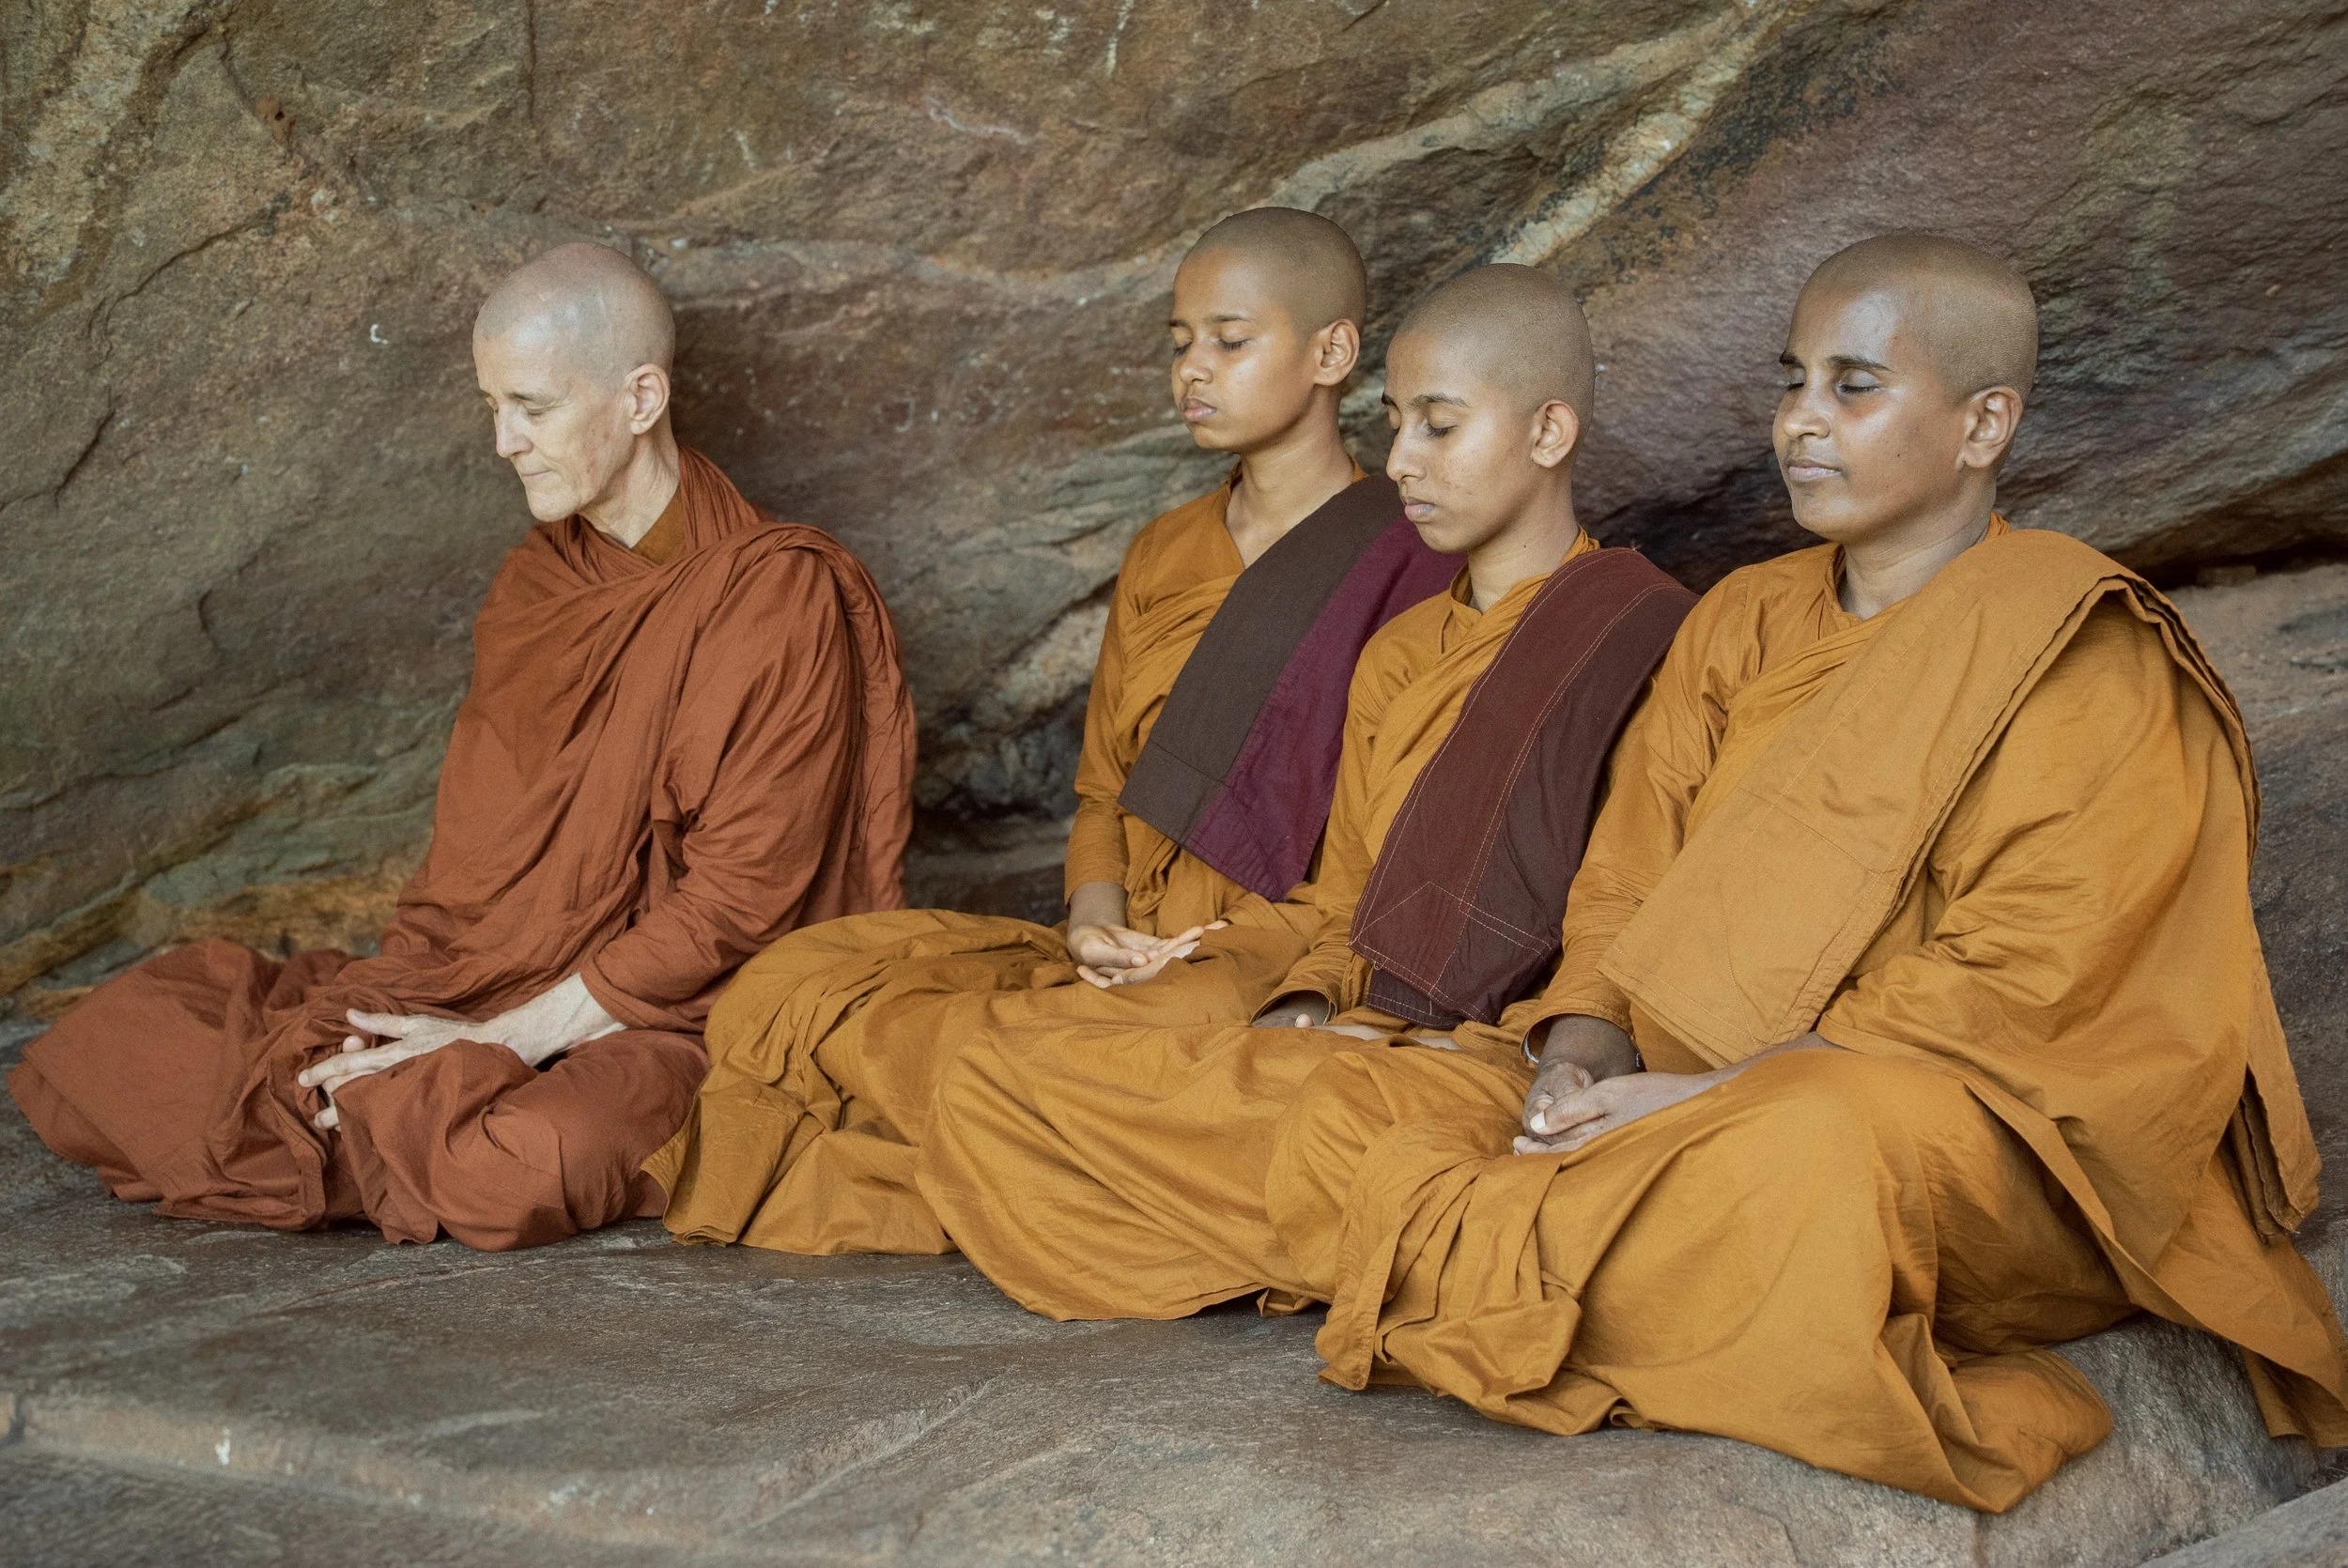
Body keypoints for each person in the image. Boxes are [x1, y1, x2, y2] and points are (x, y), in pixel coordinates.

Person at [1256, 234, 2348, 1510]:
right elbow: (1628, 877)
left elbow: (2025, 982)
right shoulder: (1744, 617)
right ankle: (1618, 1251)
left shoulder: (2084, 652)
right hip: (1677, 1089)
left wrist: (1697, 1098)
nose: (1801, 425)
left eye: (1853, 387)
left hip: (1949, 1123)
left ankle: (1574, 1266)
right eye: (1792, 383)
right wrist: (1585, 1050)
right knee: (1355, 1105)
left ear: (1985, 419)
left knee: (1814, 1154)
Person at [8, 242, 916, 1252]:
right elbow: (477, 864)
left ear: (642, 397)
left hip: (689, 1014)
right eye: (492, 406)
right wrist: (425, 997)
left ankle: (398, 1111)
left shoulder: (773, 596)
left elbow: (743, 901)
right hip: (503, 977)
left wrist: (501, 1038)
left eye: (531, 405)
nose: (502, 442)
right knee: (121, 1038)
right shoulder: (535, 589)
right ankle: (398, 1102)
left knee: (523, 1160)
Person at [647, 208, 1459, 1256]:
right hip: (1128, 947)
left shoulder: (1415, 556)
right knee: (793, 984)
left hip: (1274, 952)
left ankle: (1019, 1136)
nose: (1192, 372)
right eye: (1177, 344)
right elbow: (1102, 789)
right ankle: (1031, 1130)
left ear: (1332, 353)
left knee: (1018, 1061)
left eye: (1228, 339)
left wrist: (1254, 960)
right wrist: (1091, 921)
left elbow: (1400, 839)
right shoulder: (1164, 552)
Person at [917, 266, 1692, 1318]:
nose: (1402, 462)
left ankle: (1399, 1217)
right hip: (1360, 1033)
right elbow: (1346, 896)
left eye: (1438, 427)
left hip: (1496, 1045)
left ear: (1548, 430)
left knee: (1337, 1128)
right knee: (994, 1073)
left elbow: (1629, 896)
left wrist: (1572, 1058)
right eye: (1394, 424)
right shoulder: (1404, 649)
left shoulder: (1646, 635)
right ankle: (1394, 1231)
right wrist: (1304, 1006)